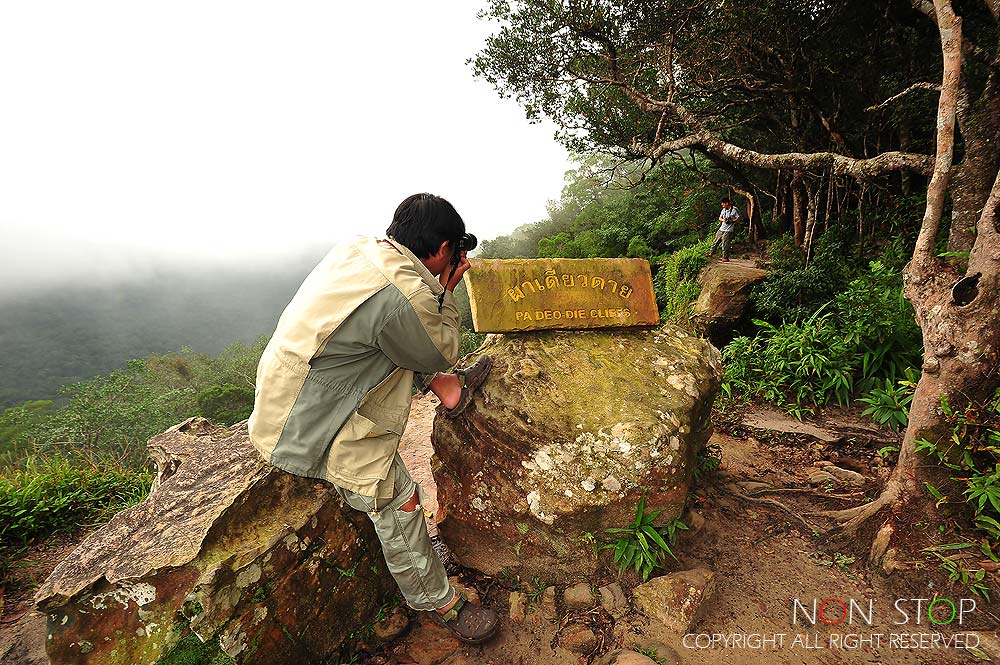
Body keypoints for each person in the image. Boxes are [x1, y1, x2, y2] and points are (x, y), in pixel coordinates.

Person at [248, 193, 499, 644]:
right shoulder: (408, 293)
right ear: (443, 249)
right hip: (312, 421)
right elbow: (441, 346)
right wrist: (446, 292)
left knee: (402, 331)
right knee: (397, 497)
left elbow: (399, 326)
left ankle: (448, 389)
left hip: (286, 389)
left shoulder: (362, 249)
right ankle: (437, 601)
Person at [705, 197, 742, 262]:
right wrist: (723, 220)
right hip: (721, 228)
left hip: (729, 230)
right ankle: (711, 253)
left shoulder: (734, 210)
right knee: (715, 241)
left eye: (723, 204)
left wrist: (732, 221)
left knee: (725, 243)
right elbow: (720, 218)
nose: (722, 205)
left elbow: (739, 218)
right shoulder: (723, 210)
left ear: (727, 203)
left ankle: (725, 257)